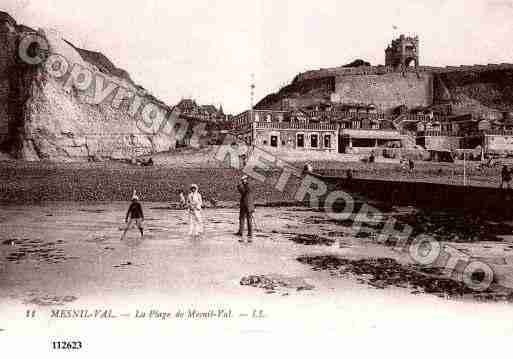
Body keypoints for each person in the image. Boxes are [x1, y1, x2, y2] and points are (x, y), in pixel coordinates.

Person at [236, 175, 255, 243]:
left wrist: (239, 185)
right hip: (249, 205)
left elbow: (243, 192)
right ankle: (248, 232)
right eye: (242, 180)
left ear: (246, 179)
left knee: (243, 218)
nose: (242, 181)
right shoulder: (249, 185)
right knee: (247, 219)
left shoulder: (247, 186)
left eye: (243, 180)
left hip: (245, 205)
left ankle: (242, 232)